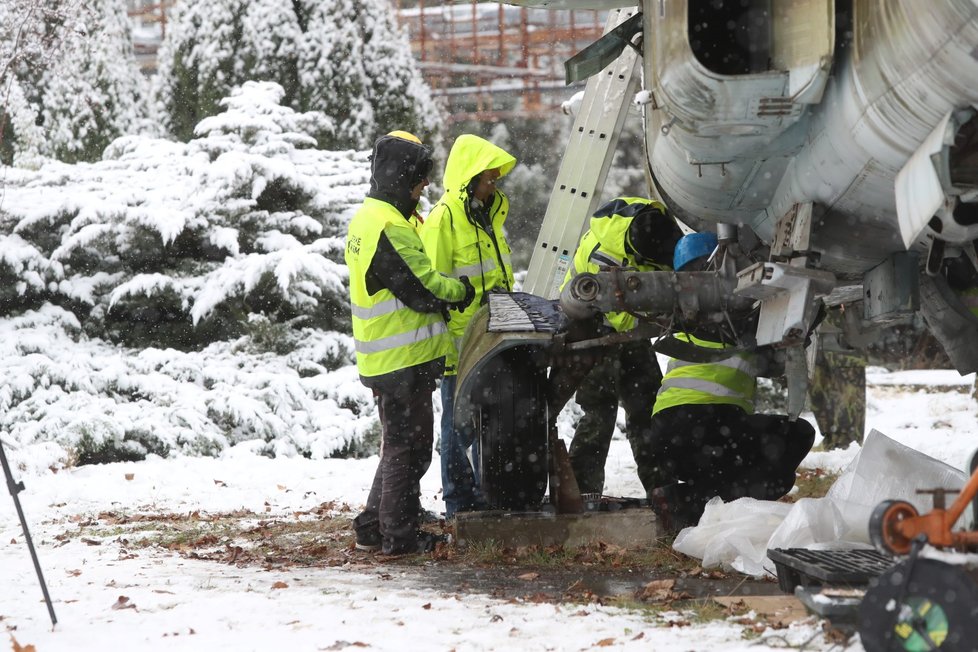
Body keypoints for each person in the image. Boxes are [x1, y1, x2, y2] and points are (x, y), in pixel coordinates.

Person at [347, 131, 476, 555]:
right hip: (402, 360)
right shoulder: (388, 225)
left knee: (397, 444)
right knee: (411, 449)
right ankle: (398, 537)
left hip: (386, 356)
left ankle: (373, 525)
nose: (424, 188)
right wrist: (462, 291)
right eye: (420, 180)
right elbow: (422, 287)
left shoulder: (370, 217)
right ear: (403, 178)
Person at [647, 231, 816, 531]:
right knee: (798, 435)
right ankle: (706, 504)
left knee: (727, 466)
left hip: (666, 434)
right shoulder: (740, 318)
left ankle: (688, 502)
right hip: (710, 425)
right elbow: (777, 350)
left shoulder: (685, 318)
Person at [419, 134, 517, 518]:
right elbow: (432, 284)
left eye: (495, 179)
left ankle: (483, 494)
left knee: (487, 421)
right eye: (488, 178)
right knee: (458, 426)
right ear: (469, 179)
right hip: (459, 343)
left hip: (494, 338)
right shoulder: (445, 220)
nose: (494, 185)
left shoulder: (489, 216)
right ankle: (459, 503)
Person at [560, 197, 684, 496]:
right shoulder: (606, 255)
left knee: (648, 411)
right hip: (595, 334)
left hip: (632, 336)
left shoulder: (654, 225)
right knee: (599, 416)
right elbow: (616, 302)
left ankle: (662, 490)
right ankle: (584, 495)